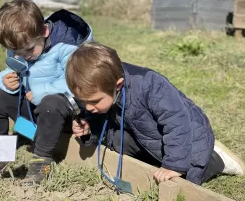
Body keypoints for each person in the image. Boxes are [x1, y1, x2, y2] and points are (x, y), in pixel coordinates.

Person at [65, 42, 245, 185]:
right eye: (84, 101)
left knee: (186, 178)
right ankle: (166, 160)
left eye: (94, 102)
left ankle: (217, 159)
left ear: (118, 85)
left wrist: (173, 165)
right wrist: (89, 126)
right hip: (150, 135)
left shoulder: (150, 85)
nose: (88, 107)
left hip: (190, 135)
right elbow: (105, 120)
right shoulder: (106, 87)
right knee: (119, 142)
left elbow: (177, 123)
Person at [0, 0, 93, 185]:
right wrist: (4, 80)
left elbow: (77, 84)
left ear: (44, 31)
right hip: (34, 111)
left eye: (29, 51)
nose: (24, 56)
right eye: (16, 52)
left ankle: (41, 162)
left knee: (51, 104)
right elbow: (14, 70)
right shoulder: (22, 44)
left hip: (63, 114)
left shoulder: (67, 47)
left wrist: (41, 92)